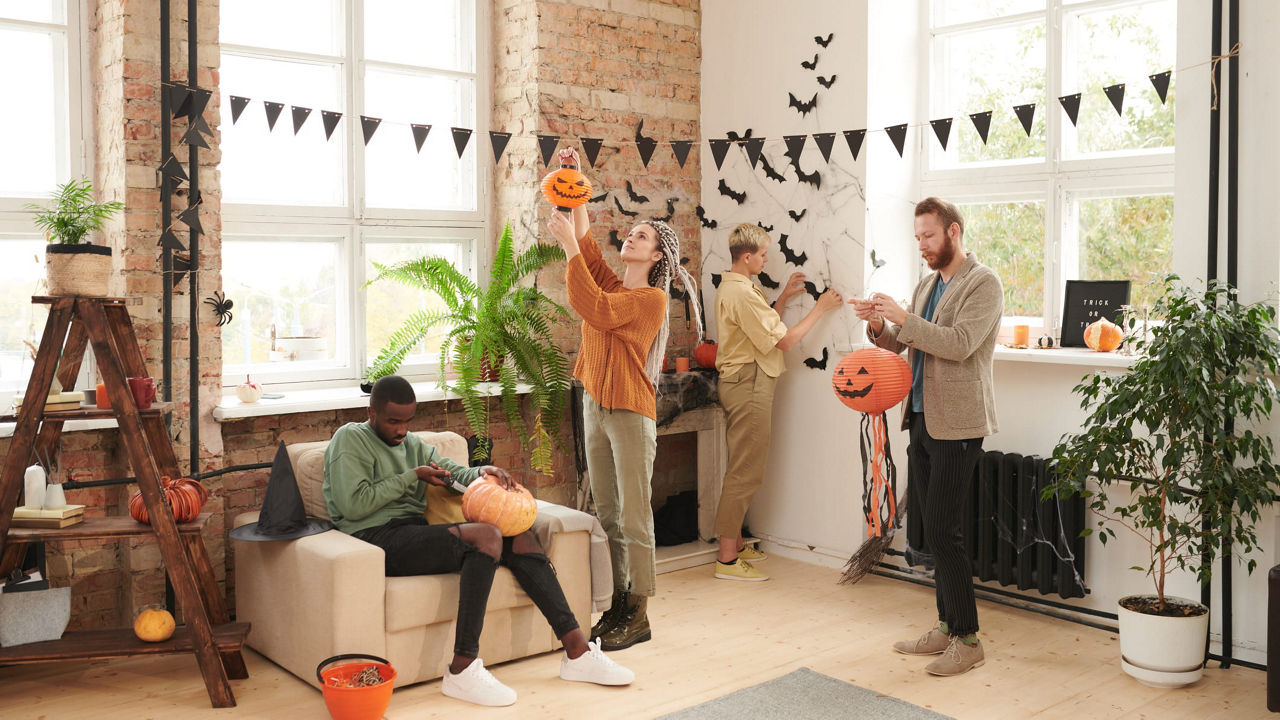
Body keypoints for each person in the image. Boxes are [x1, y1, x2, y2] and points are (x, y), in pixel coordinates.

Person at [322, 375, 634, 707]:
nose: (401, 430)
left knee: (518, 533)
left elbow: (453, 471)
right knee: (485, 537)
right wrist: (411, 477)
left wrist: (485, 471)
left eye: (407, 421)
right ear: (372, 414)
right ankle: (462, 669)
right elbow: (353, 506)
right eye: (393, 421)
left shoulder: (412, 444)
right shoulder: (350, 439)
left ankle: (577, 652)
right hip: (375, 540)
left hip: (415, 532)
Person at [546, 147, 701, 652]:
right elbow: (590, 252)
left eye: (642, 237)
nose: (630, 238)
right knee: (607, 511)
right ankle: (617, 603)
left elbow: (593, 304)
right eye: (631, 233)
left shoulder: (650, 300)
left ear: (657, 257)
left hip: (632, 414)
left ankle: (639, 611)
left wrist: (569, 245)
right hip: (596, 404)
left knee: (635, 515)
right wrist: (574, 178)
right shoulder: (618, 284)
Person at [849, 197, 1002, 677]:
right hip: (920, 418)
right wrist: (878, 323)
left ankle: (969, 639)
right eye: (917, 237)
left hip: (959, 423)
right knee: (931, 530)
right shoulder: (927, 283)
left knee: (943, 530)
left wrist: (904, 317)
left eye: (928, 236)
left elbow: (957, 344)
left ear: (954, 232)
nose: (922, 245)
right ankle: (947, 625)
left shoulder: (984, 284)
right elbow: (904, 344)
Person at [712, 222, 843, 581]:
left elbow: (762, 326)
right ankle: (726, 559)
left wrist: (782, 298)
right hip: (749, 382)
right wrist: (820, 308)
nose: (767, 260)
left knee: (743, 462)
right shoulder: (741, 293)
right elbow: (783, 342)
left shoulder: (739, 287)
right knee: (746, 469)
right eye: (764, 255)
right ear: (748, 256)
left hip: (745, 380)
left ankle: (735, 544)